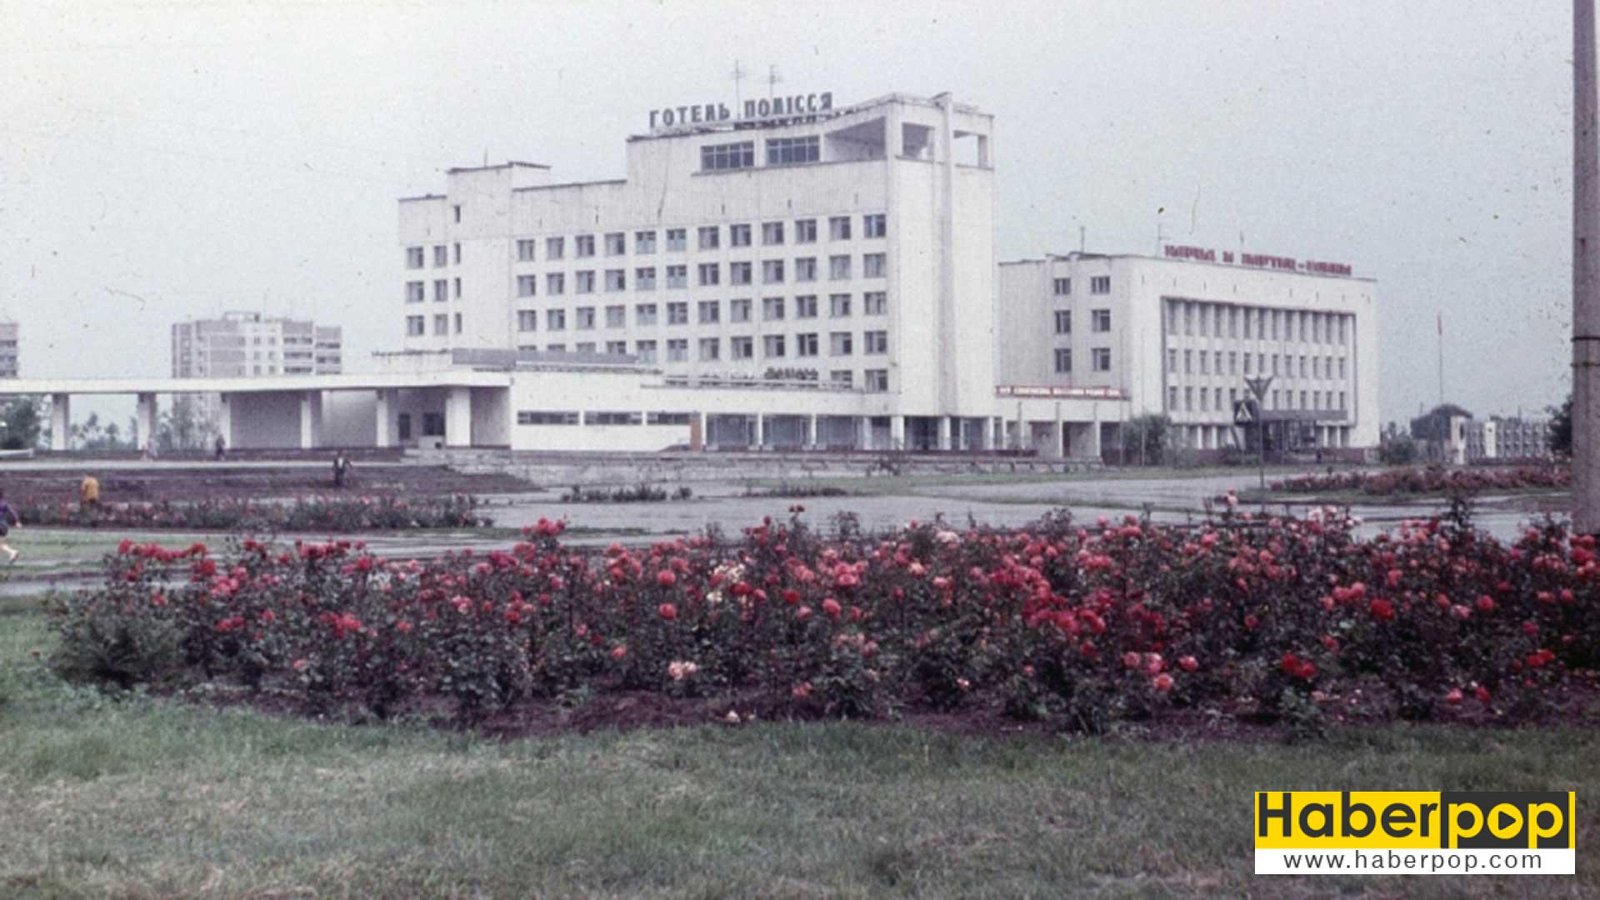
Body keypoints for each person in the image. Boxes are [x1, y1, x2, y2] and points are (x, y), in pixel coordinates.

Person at [0, 490, 21, 565]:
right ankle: (12, 552)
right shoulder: (5, 504)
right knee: (1, 545)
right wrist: (17, 521)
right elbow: (13, 512)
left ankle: (12, 552)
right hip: (4, 526)